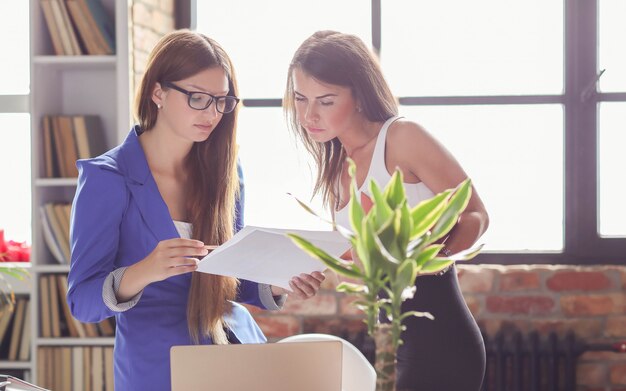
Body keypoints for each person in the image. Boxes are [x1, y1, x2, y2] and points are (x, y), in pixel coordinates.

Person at [67, 30, 325, 391]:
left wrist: (280, 280)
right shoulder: (107, 178)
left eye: (222, 101)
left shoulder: (225, 172)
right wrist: (145, 271)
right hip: (158, 367)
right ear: (158, 92)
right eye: (198, 98)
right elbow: (82, 302)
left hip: (234, 353)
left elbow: (229, 278)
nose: (213, 113)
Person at [284, 30, 489, 391]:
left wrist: (425, 258)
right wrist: (311, 270)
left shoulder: (402, 137)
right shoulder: (336, 169)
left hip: (441, 341)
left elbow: (476, 214)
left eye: (326, 101)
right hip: (389, 343)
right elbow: (361, 265)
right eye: (300, 98)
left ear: (359, 96)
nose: (308, 114)